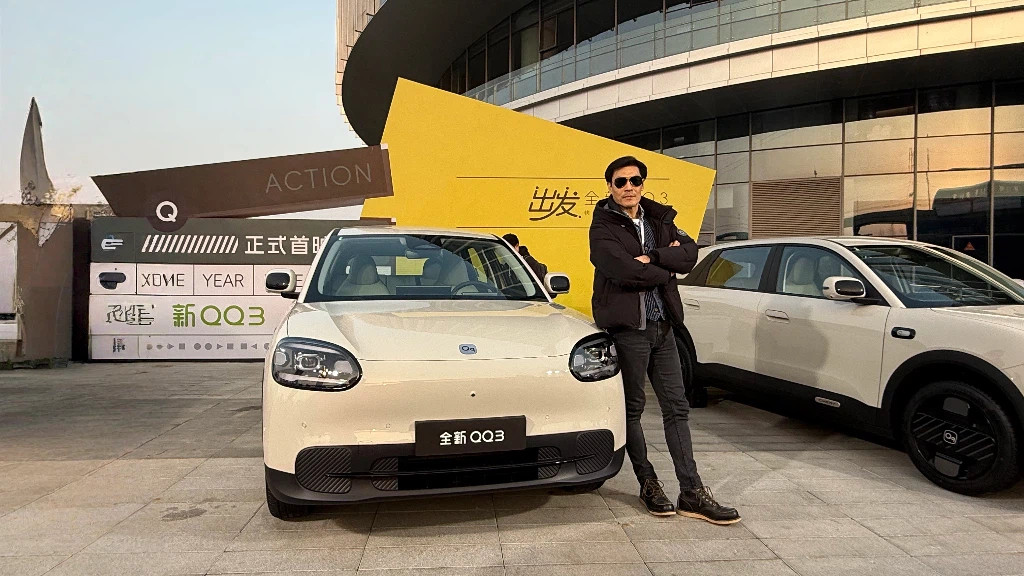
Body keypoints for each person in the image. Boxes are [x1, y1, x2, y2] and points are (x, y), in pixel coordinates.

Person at [589, 155, 740, 525]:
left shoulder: (660, 219)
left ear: (643, 184)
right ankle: (649, 483)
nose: (629, 187)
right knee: (633, 410)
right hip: (630, 331)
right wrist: (665, 270)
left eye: (635, 180)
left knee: (677, 408)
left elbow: (689, 256)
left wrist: (654, 256)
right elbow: (622, 270)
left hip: (664, 328)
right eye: (620, 181)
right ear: (609, 187)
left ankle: (692, 492)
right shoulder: (602, 227)